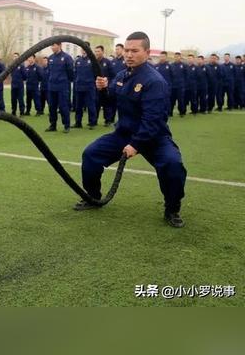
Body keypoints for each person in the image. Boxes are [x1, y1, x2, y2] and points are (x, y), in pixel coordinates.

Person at [76, 32, 187, 229]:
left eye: (134, 51)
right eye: (126, 50)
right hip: (124, 134)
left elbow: (153, 120)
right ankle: (93, 196)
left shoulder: (155, 81)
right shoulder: (122, 76)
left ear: (147, 52)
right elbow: (108, 103)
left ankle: (172, 208)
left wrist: (136, 144)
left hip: (153, 137)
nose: (128, 54)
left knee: (172, 165)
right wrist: (102, 90)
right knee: (91, 154)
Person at [46, 41, 74, 133]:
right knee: (52, 107)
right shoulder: (50, 58)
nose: (52, 47)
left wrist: (66, 81)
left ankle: (66, 125)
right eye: (51, 45)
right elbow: (49, 72)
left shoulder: (67, 57)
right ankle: (53, 125)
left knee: (63, 106)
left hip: (62, 86)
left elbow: (71, 72)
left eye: (54, 45)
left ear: (60, 45)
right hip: (52, 86)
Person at [72, 48, 97, 129]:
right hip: (79, 86)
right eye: (82, 49)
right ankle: (78, 122)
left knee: (91, 105)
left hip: (89, 86)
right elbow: (75, 73)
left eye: (85, 49)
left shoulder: (93, 60)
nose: (83, 50)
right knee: (78, 106)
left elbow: (96, 73)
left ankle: (92, 123)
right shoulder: (78, 60)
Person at [94, 45, 113, 125]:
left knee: (106, 104)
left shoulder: (107, 62)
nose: (97, 53)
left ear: (102, 52)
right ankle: (94, 120)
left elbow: (112, 74)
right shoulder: (94, 62)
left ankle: (107, 120)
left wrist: (106, 82)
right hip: (96, 87)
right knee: (96, 103)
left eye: (98, 51)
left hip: (105, 87)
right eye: (96, 51)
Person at [107, 43, 126, 123]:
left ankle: (121, 120)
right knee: (112, 103)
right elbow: (110, 74)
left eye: (118, 49)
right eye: (116, 49)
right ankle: (110, 120)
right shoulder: (113, 61)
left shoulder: (126, 61)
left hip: (123, 86)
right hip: (114, 86)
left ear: (122, 50)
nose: (116, 51)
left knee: (122, 104)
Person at [169, 52, 186, 117]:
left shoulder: (184, 65)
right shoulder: (171, 65)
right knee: (172, 100)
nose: (176, 58)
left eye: (178, 56)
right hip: (173, 86)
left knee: (180, 100)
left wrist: (184, 84)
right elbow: (170, 75)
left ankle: (182, 112)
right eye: (175, 57)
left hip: (181, 86)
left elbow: (187, 75)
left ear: (180, 57)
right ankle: (170, 112)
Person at [10, 52, 27, 116]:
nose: (15, 57)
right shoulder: (11, 66)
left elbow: (25, 76)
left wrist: (20, 80)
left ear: (18, 57)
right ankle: (13, 111)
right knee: (13, 99)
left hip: (20, 86)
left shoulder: (22, 66)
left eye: (16, 56)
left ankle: (22, 112)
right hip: (13, 86)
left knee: (20, 99)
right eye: (14, 56)